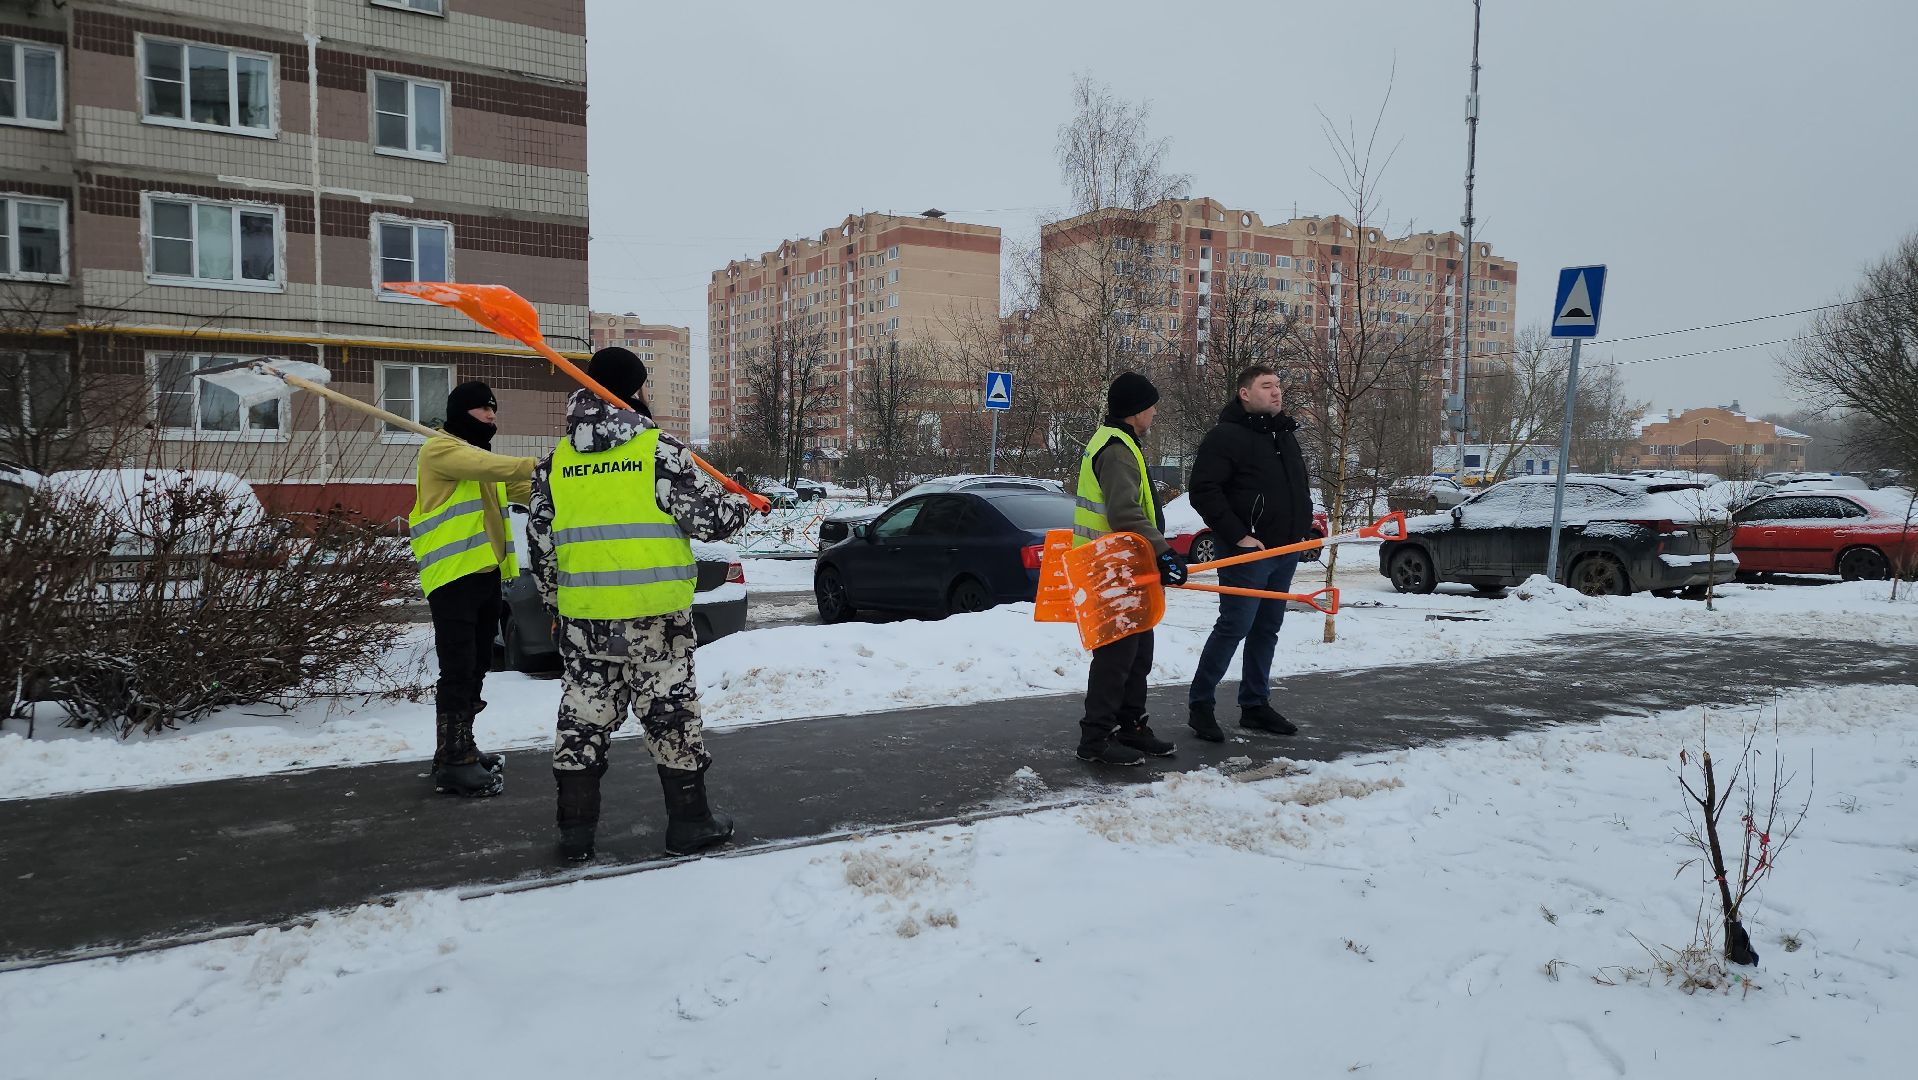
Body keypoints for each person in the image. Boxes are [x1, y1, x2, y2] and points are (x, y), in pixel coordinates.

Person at [527, 346, 758, 862]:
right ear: (632, 390)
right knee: (671, 717)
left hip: (584, 624)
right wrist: (743, 502)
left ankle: (575, 835)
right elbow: (714, 521)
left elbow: (541, 547)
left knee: (582, 720)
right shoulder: (660, 452)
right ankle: (690, 824)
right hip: (656, 623)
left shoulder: (555, 463)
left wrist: (554, 606)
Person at [407, 381, 536, 797]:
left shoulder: (478, 462)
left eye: (494, 411)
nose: (492, 418)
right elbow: (501, 469)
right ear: (463, 413)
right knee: (458, 668)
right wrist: (544, 464)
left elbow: (523, 487)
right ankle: (450, 761)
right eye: (484, 410)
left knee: (478, 664)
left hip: (484, 576)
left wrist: (567, 482)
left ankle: (462, 745)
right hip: (453, 578)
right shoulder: (441, 451)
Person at [1185, 364, 1315, 741]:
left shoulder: (1283, 434)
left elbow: (1296, 488)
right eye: (1266, 386)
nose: (1276, 392)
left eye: (1278, 385)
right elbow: (1204, 491)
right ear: (1245, 393)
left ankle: (1255, 705)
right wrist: (1238, 535)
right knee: (1234, 626)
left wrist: (1300, 526)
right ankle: (1201, 705)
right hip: (1248, 553)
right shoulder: (1226, 436)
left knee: (1267, 629)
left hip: (1285, 550)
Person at [1072, 371, 1185, 766]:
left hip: (1127, 567)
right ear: (1136, 410)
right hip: (1110, 568)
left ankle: (1130, 725)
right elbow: (1124, 513)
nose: (1155, 411)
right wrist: (1163, 551)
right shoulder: (1117, 449)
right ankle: (1096, 739)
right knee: (1116, 656)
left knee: (1138, 652)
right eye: (1151, 404)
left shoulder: (1122, 442)